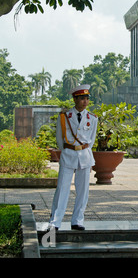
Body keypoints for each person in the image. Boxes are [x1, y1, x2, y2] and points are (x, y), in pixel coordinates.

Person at [48, 84, 98, 231]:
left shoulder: (92, 118)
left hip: (85, 156)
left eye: (87, 98)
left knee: (83, 191)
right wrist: (68, 151)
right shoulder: (64, 117)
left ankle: (77, 220)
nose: (85, 101)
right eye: (82, 98)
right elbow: (59, 139)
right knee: (62, 189)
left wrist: (81, 149)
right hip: (68, 155)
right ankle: (55, 221)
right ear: (75, 99)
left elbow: (91, 140)